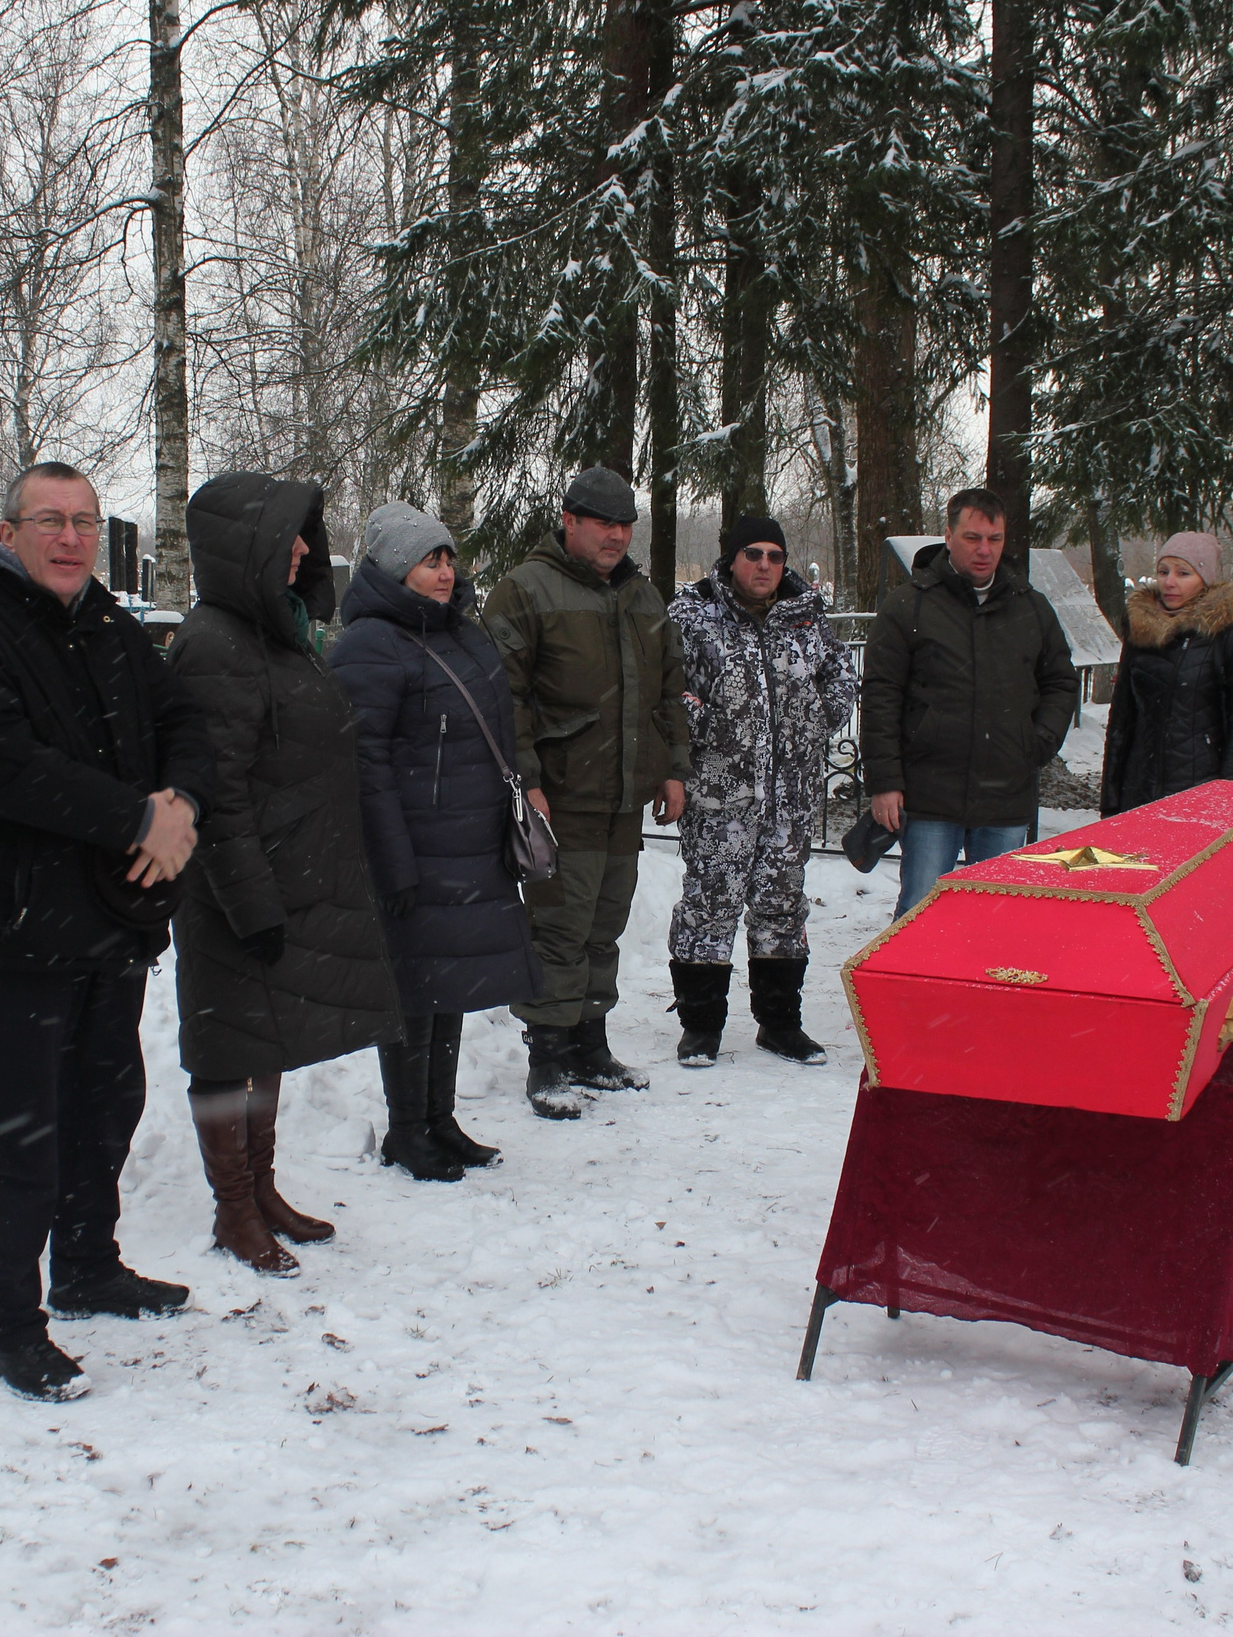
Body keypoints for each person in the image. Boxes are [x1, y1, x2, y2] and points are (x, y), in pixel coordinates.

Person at [0, 462, 217, 1404]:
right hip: (20, 927)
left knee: (105, 1103)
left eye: (85, 520)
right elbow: (7, 768)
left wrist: (182, 800)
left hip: (113, 917)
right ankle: (7, 1323)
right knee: (18, 1132)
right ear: (7, 532)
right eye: (51, 520)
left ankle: (87, 1265)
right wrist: (136, 819)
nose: (72, 537)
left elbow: (182, 716)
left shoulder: (110, 626)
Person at [169, 472, 403, 1271]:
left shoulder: (277, 634)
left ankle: (261, 1187)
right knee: (223, 1047)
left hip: (281, 878)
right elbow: (217, 792)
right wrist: (251, 901)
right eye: (286, 536)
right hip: (234, 890)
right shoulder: (212, 644)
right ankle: (233, 1206)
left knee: (260, 1036)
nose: (304, 548)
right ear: (245, 547)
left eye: (304, 533)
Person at [326, 503, 541, 1180]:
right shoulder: (370, 644)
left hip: (466, 844)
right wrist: (392, 862)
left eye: (448, 558)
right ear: (396, 569)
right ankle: (406, 1129)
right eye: (429, 561)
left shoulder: (459, 633)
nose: (445, 572)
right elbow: (364, 764)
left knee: (448, 985)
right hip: (415, 850)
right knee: (414, 993)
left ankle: (439, 1120)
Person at [480, 467, 691, 1118]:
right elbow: (503, 699)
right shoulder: (525, 590)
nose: (616, 535)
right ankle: (547, 1058)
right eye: (603, 522)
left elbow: (669, 689)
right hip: (561, 797)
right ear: (569, 520)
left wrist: (673, 767)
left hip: (623, 798)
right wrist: (527, 781)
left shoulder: (643, 597)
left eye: (625, 524)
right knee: (558, 927)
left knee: (604, 925)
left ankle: (589, 1047)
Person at [665, 517, 855, 1068]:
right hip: (719, 798)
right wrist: (712, 726)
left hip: (790, 799)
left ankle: (780, 1023)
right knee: (710, 906)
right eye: (753, 554)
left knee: (782, 907)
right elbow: (667, 690)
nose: (765, 565)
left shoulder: (805, 616)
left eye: (775, 555)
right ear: (731, 559)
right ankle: (700, 1028)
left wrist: (814, 719)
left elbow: (841, 676)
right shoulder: (693, 617)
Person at [861, 488, 1077, 916]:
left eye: (994, 539)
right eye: (972, 538)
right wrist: (885, 782)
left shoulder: (1031, 608)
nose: (984, 550)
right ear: (948, 535)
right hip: (930, 794)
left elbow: (1060, 681)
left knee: (996, 919)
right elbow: (881, 696)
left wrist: (1036, 742)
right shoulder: (908, 606)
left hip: (1005, 795)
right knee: (920, 915)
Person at [1099, 530, 1233, 816]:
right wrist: (1111, 800)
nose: (1169, 582)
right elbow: (1122, 719)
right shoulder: (1142, 629)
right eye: (1163, 571)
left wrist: (1227, 803)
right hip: (1140, 790)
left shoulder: (1229, 634)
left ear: (1204, 579)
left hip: (1202, 793)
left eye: (1183, 573)